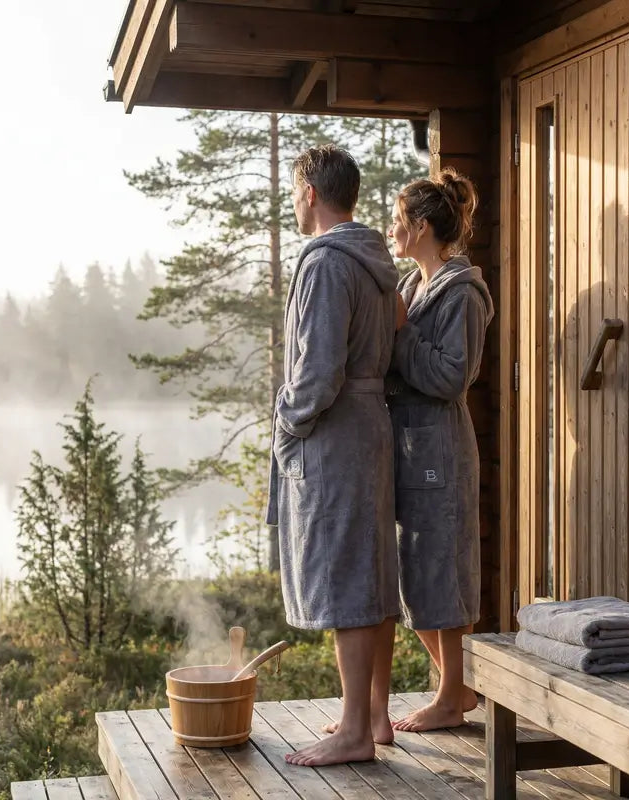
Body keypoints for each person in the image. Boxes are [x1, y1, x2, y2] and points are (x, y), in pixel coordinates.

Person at [266, 145, 400, 766]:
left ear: (312, 193)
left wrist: (287, 417)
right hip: (372, 426)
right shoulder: (375, 260)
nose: (293, 203)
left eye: (295, 192)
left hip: (337, 431)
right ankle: (373, 717)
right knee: (370, 566)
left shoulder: (325, 264)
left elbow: (318, 372)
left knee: (348, 574)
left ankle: (353, 732)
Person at [384, 167, 494, 732]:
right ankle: (462, 689)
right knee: (415, 575)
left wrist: (401, 336)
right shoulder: (409, 286)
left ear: (422, 227)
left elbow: (454, 376)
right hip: (408, 450)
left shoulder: (463, 293)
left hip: (441, 453)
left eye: (399, 221)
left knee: (442, 573)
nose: (392, 230)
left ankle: (452, 697)